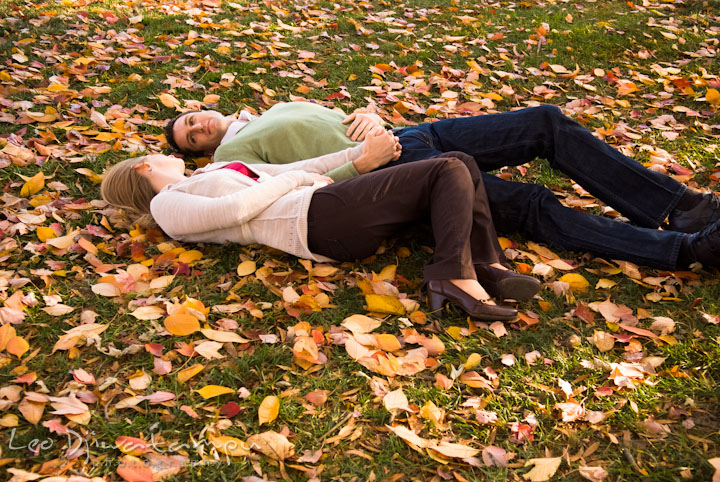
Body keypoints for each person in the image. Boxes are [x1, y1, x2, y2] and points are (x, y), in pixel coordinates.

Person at [164, 102, 720, 273]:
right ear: (200, 154)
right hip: (390, 176)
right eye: (189, 138)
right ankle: (687, 252)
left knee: (545, 123)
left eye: (191, 117)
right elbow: (290, 187)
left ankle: (681, 206)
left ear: (208, 107)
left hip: (414, 134)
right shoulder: (233, 157)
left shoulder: (279, 107)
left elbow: (345, 117)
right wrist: (362, 163)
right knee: (529, 204)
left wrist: (368, 112)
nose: (196, 128)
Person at [101, 130, 538, 321]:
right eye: (158, 154)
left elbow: (298, 165)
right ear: (144, 167)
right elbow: (236, 210)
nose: (165, 154)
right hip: (312, 220)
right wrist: (297, 180)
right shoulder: (168, 204)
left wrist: (356, 157)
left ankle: (487, 264)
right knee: (443, 170)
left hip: (320, 206)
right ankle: (452, 276)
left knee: (459, 162)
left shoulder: (202, 176)